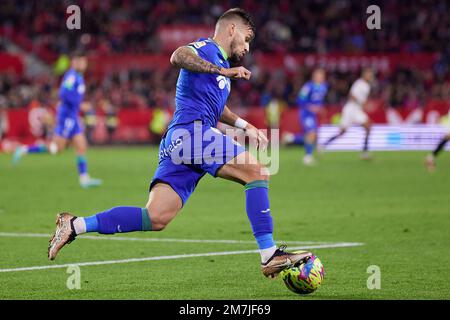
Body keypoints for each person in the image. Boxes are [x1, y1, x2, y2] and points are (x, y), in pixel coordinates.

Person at [47, 8, 312, 279]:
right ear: (231, 29)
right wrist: (222, 70)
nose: (246, 47)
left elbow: (216, 107)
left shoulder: (219, 68)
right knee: (257, 171)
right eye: (246, 38)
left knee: (155, 217)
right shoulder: (206, 49)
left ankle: (74, 225)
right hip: (192, 134)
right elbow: (178, 56)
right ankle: (269, 254)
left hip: (178, 142)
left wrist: (245, 126)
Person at [12, 52, 102, 188]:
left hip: (72, 117)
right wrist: (79, 105)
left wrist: (78, 105)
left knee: (81, 146)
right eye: (80, 61)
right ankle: (23, 150)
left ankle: (84, 179)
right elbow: (63, 93)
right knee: (56, 148)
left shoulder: (78, 76)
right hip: (67, 118)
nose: (82, 64)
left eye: (84, 62)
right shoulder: (72, 76)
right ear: (74, 62)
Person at [322, 68, 374, 159]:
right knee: (342, 132)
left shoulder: (367, 85)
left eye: (371, 75)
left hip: (357, 110)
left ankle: (364, 152)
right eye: (369, 75)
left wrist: (363, 104)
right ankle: (323, 145)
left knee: (368, 126)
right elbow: (351, 95)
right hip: (350, 109)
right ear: (364, 75)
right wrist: (361, 102)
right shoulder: (359, 83)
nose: (370, 76)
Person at [282, 68, 328, 165]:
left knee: (313, 135)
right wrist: (310, 107)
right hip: (305, 113)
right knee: (311, 134)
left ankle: (292, 138)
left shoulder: (324, 87)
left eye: (322, 76)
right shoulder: (308, 87)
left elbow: (319, 102)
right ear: (314, 76)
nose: (321, 78)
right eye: (319, 75)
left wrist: (320, 108)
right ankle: (307, 156)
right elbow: (299, 100)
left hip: (313, 115)